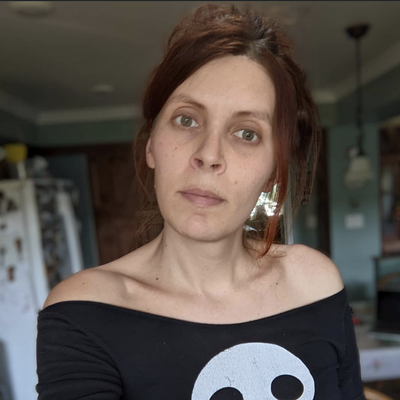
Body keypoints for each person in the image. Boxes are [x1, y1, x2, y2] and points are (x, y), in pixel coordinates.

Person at [36, 4, 366, 400]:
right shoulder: (84, 312)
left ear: (273, 170)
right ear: (152, 145)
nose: (209, 155)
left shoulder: (314, 282)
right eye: (187, 119)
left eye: (247, 133)